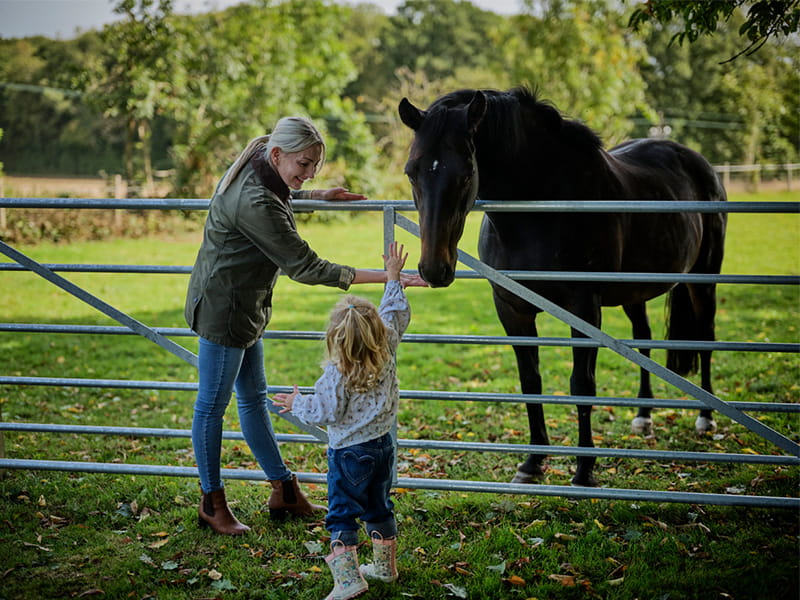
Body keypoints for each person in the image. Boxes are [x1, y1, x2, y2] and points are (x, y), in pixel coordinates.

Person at [185, 116, 425, 536]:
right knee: (211, 407)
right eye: (305, 164)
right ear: (278, 155)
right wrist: (390, 278)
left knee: (254, 400)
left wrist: (316, 194)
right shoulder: (255, 199)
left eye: (315, 164)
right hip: (225, 310)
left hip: (246, 305)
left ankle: (284, 489)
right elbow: (307, 266)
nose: (310, 171)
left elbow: (279, 194)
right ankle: (212, 501)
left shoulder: (262, 158)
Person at [272, 241, 412, 600]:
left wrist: (297, 401)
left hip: (349, 453)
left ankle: (349, 582)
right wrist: (392, 277)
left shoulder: (338, 372)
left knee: (341, 515)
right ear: (378, 331)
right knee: (379, 506)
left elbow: (325, 412)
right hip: (383, 446)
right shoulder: (388, 345)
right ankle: (384, 568)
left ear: (335, 338)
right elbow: (394, 312)